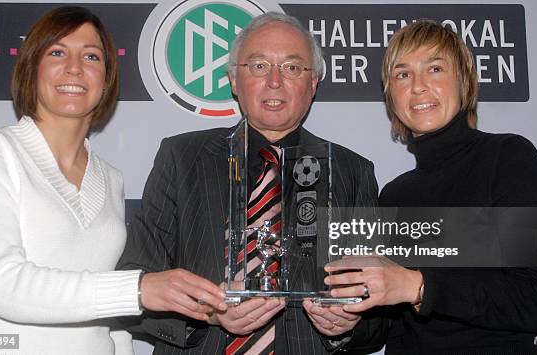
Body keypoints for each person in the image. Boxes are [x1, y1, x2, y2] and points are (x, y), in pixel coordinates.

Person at [0, 6, 224, 355]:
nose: (74, 68)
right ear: (31, 69)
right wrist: (138, 289)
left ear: (106, 78)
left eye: (91, 56)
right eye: (56, 52)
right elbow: (3, 286)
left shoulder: (109, 177)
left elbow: (110, 320)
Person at [117, 12, 386, 355]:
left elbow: (380, 319)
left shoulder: (351, 171)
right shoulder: (181, 158)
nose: (275, 81)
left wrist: (346, 327)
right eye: (258, 66)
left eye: (292, 68)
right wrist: (205, 313)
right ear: (233, 79)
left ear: (314, 82)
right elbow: (132, 284)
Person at [324, 20, 537, 354]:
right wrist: (345, 326)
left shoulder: (510, 158)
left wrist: (419, 286)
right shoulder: (393, 194)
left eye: (434, 68)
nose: (418, 86)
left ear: (464, 81)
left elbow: (535, 304)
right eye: (402, 74)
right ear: (390, 95)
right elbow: (392, 328)